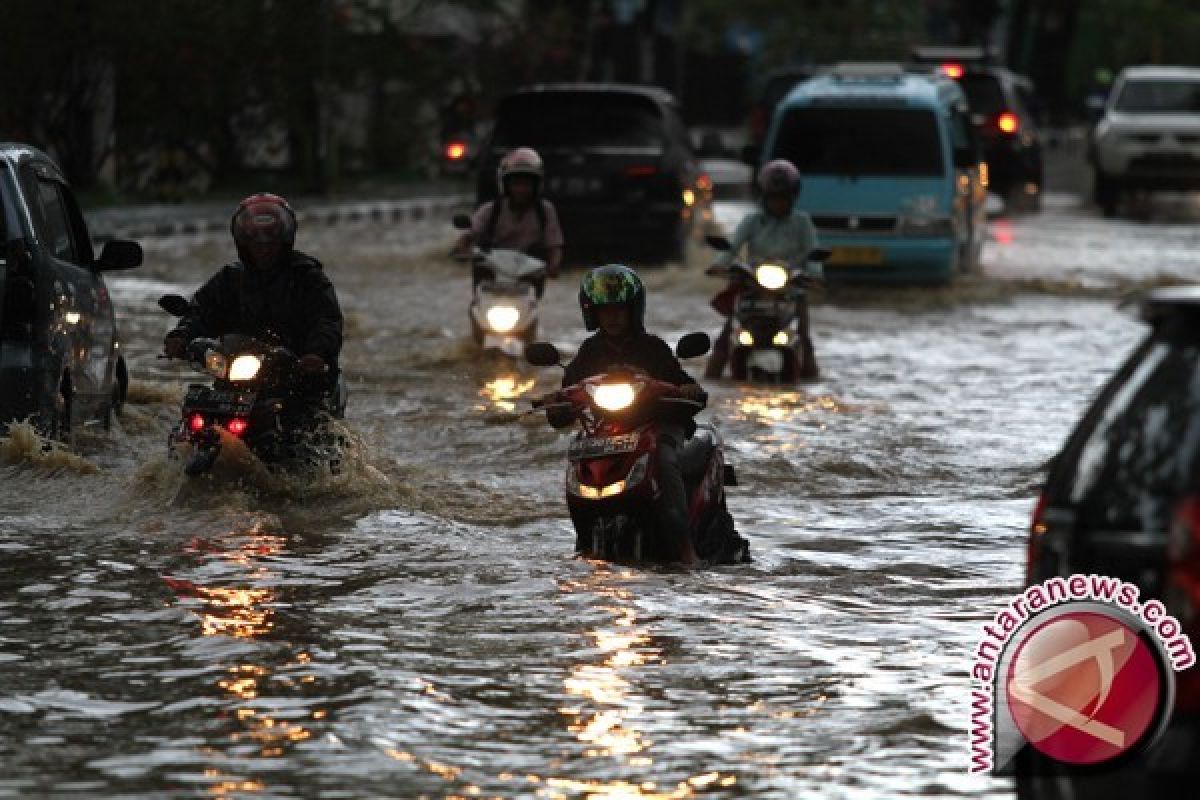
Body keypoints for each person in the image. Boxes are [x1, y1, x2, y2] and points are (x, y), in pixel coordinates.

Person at [547, 265, 706, 564]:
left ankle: (685, 549)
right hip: (605, 433)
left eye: (620, 310)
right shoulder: (589, 352)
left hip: (655, 427)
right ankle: (583, 543)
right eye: (605, 311)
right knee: (576, 457)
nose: (613, 317)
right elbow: (567, 395)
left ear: (634, 310)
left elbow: (683, 382)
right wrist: (555, 401)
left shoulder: (653, 348)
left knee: (665, 459)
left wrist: (688, 390)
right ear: (593, 313)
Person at [163, 193, 344, 408]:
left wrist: (316, 353)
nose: (263, 250)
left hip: (296, 374)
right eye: (256, 244)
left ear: (284, 242)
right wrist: (182, 335)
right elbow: (202, 310)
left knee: (311, 417)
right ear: (243, 245)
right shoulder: (229, 279)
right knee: (196, 408)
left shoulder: (308, 278)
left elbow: (327, 319)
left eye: (270, 243)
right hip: (237, 368)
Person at [706, 158, 821, 381]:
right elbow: (732, 246)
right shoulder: (752, 221)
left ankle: (811, 383)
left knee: (804, 338)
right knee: (725, 336)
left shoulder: (802, 223)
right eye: (774, 197)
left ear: (793, 197)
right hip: (752, 285)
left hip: (790, 288)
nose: (778, 203)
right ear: (764, 196)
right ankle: (709, 385)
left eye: (783, 197)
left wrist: (815, 274)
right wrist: (720, 264)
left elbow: (813, 252)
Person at [455, 147, 564, 284]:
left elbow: (554, 245)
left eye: (527, 184)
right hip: (491, 277)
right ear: (506, 185)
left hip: (529, 278)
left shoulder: (545, 210)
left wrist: (554, 265)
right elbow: (470, 233)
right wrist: (461, 248)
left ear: (536, 186)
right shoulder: (490, 210)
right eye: (516, 184)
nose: (521, 190)